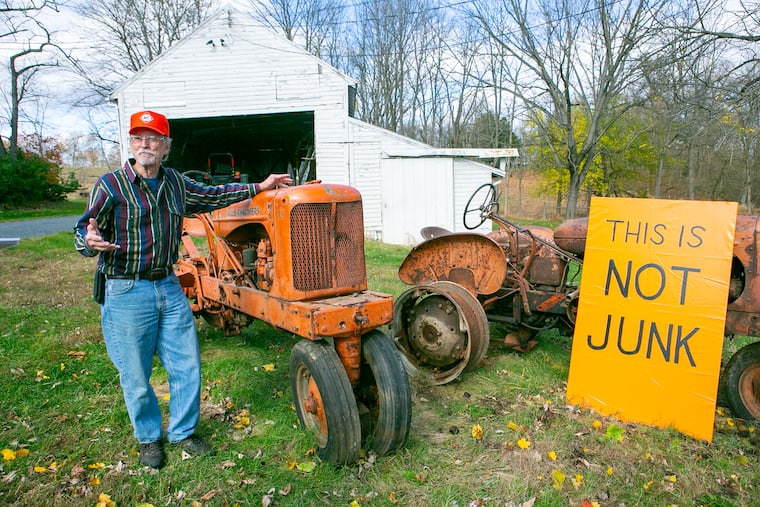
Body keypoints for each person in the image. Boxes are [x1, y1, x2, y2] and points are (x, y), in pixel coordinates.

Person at [74, 110, 293, 469]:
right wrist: (89, 240)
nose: (146, 145)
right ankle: (148, 438)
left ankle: (183, 432)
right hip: (126, 289)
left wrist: (259, 186)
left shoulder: (175, 183)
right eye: (139, 138)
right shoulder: (110, 185)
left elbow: (214, 195)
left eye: (154, 139)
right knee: (137, 374)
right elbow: (84, 228)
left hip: (168, 285)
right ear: (131, 144)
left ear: (166, 148)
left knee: (186, 365)